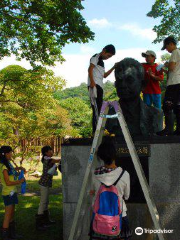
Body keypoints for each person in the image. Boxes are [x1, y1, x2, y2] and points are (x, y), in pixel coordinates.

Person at [89, 137, 131, 240]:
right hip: (119, 217)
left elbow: (92, 192)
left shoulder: (95, 174)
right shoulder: (124, 174)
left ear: (101, 157)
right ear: (115, 155)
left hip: (99, 217)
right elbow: (127, 196)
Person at [88, 44, 116, 133]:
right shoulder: (95, 57)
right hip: (94, 85)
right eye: (108, 55)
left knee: (100, 108)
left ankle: (99, 129)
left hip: (100, 86)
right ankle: (96, 131)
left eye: (110, 57)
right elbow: (90, 69)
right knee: (96, 109)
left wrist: (113, 67)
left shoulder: (102, 63)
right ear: (103, 50)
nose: (108, 58)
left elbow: (104, 75)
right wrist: (92, 82)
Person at [0, 146, 25, 240]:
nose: (12, 154)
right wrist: (20, 181)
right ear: (6, 154)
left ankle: (12, 234)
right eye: (11, 152)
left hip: (12, 192)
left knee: (11, 214)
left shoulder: (8, 164)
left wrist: (20, 168)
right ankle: (5, 235)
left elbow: (13, 174)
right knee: (7, 215)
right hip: (8, 193)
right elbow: (8, 182)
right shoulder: (3, 166)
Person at [157, 36, 180, 136]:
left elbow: (171, 67)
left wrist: (165, 64)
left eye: (166, 47)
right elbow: (173, 71)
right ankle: (178, 129)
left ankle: (168, 129)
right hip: (177, 82)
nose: (166, 49)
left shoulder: (175, 52)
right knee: (178, 107)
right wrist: (165, 70)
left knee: (167, 105)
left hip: (174, 84)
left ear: (171, 44)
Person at [36, 146, 61, 230]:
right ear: (46, 152)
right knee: (43, 202)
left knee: (46, 202)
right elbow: (57, 160)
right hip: (44, 183)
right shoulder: (48, 159)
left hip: (46, 183)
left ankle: (46, 220)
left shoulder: (47, 158)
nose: (52, 152)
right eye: (50, 150)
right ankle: (39, 223)